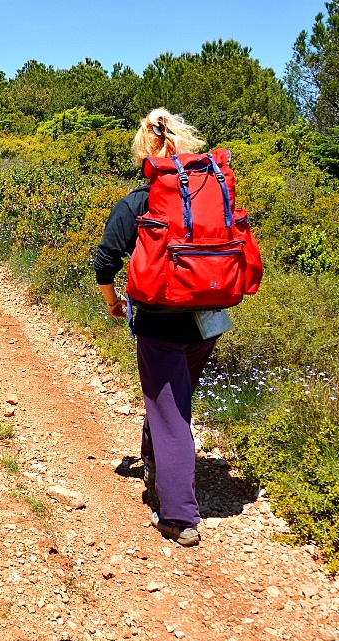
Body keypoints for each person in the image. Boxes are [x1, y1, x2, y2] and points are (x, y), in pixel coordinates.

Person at [93, 108, 219, 547]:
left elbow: (105, 259)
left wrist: (113, 302)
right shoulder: (211, 191)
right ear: (185, 145)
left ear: (144, 150)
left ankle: (179, 515)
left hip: (160, 321)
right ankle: (153, 461)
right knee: (171, 397)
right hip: (210, 317)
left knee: (169, 412)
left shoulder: (138, 201)